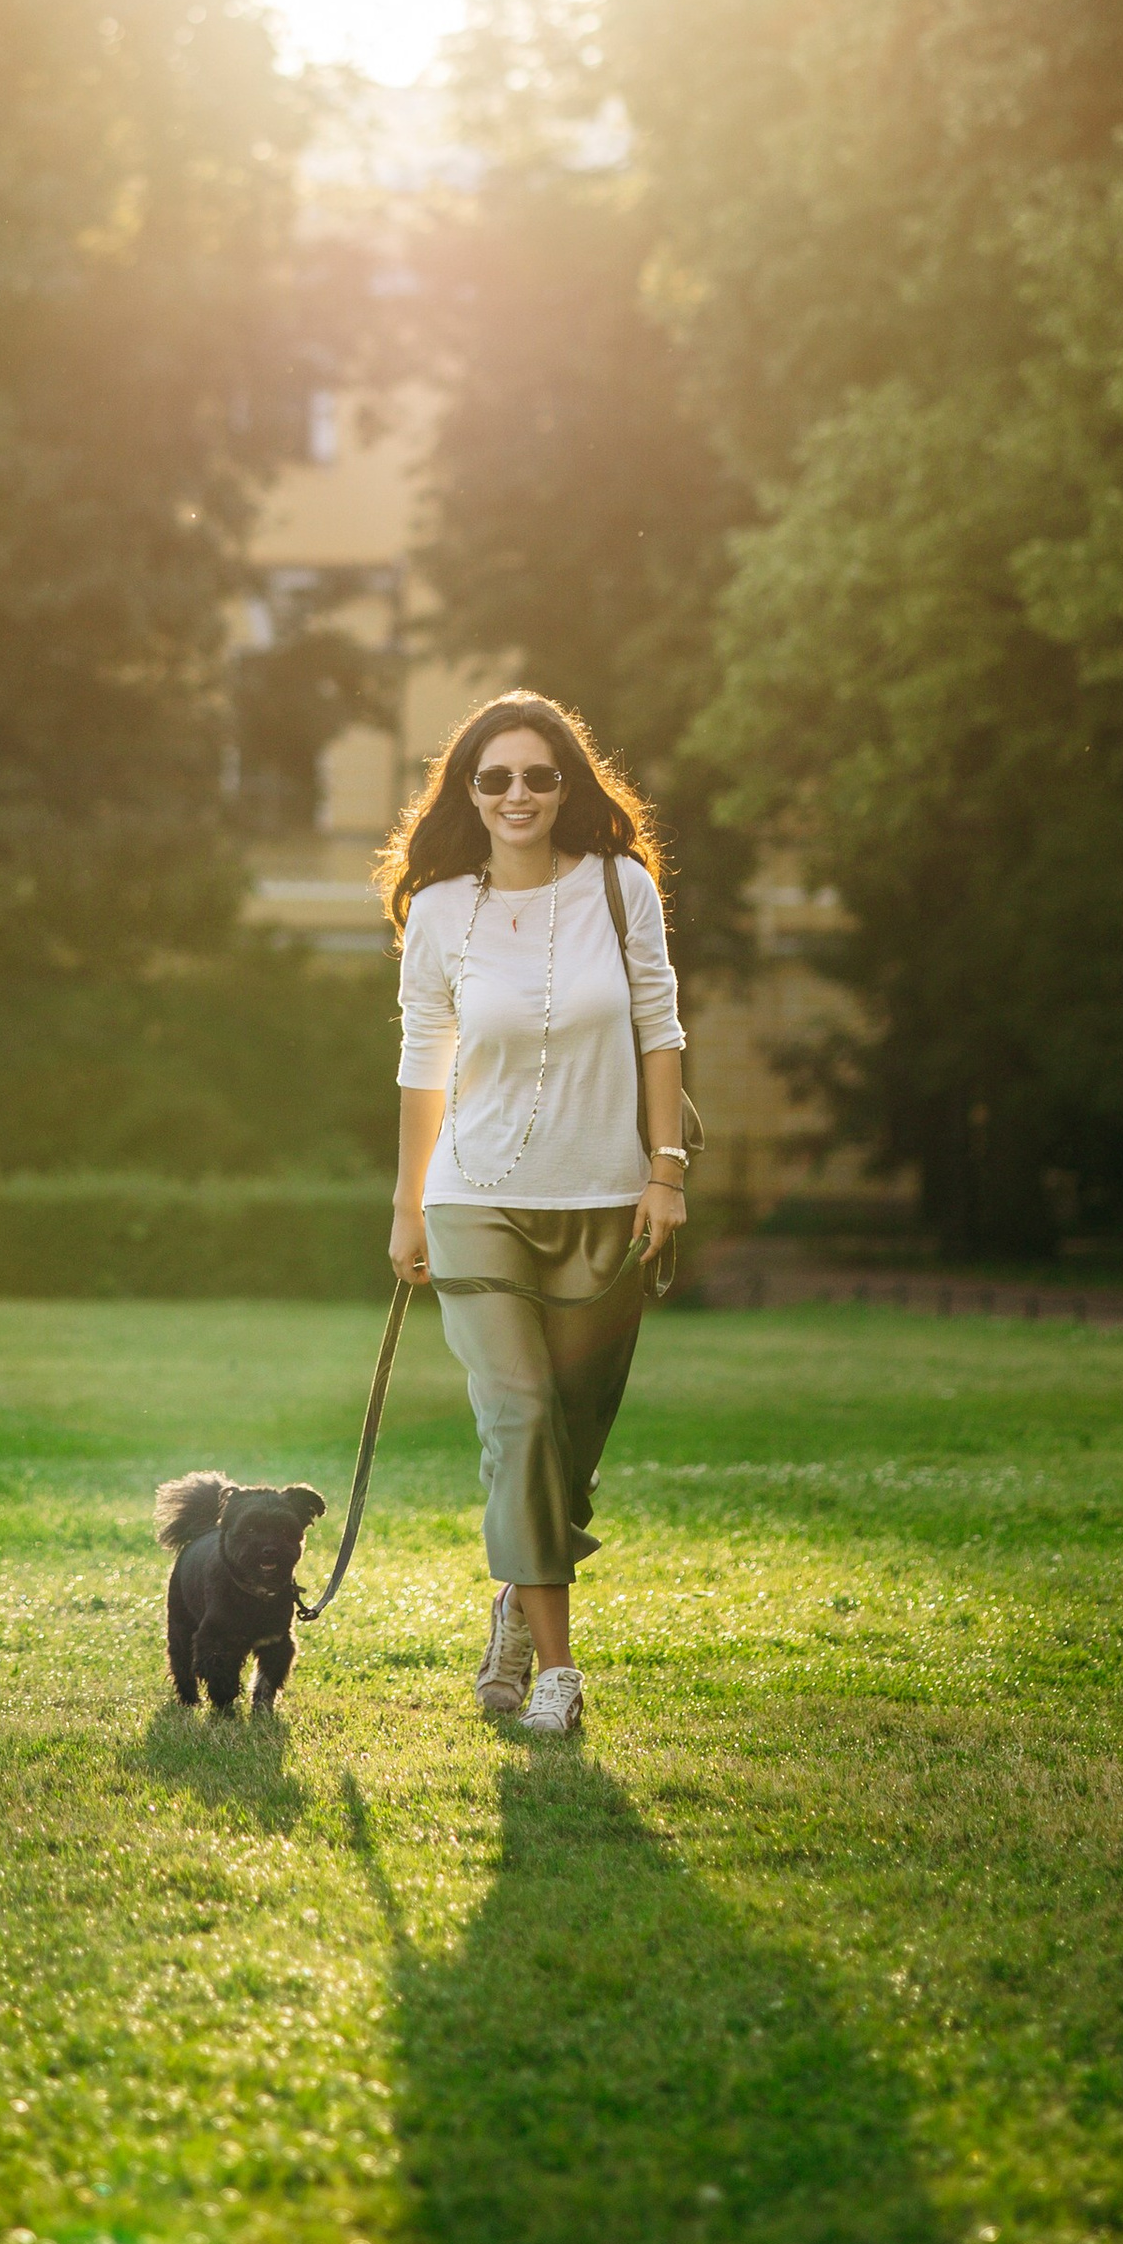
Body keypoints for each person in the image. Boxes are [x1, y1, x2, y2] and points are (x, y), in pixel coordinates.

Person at [376, 693, 689, 1739]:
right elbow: (425, 1055)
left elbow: (658, 1024)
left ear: (567, 786)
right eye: (495, 777)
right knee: (516, 1420)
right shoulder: (439, 910)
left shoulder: (620, 888)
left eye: (538, 776)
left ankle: (515, 1599)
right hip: (473, 1200)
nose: (517, 794)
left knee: (569, 1448)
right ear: (467, 790)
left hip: (605, 1198)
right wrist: (408, 1202)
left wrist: (666, 1171)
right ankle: (557, 1672)